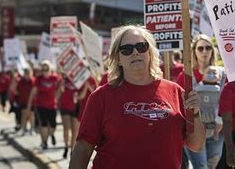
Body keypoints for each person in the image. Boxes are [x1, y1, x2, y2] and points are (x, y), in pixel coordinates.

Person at [69, 25, 205, 169]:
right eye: (126, 49)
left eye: (141, 47)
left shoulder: (175, 91)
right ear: (118, 59)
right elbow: (83, 148)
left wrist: (195, 113)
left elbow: (196, 145)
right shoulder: (101, 97)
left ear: (150, 53)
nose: (135, 52)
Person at [177, 34, 226, 169]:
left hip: (217, 129)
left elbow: (227, 99)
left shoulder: (222, 74)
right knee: (201, 167)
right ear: (194, 51)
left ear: (213, 50)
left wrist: (221, 121)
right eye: (200, 48)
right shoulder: (186, 75)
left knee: (213, 166)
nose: (205, 51)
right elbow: (180, 103)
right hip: (195, 129)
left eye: (208, 47)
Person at [27, 60, 59, 150]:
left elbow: (60, 88)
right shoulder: (39, 79)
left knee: (53, 125)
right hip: (40, 105)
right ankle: (44, 142)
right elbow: (33, 91)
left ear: (50, 69)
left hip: (52, 105)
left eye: (47, 68)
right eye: (43, 69)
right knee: (43, 124)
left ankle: (51, 135)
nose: (45, 70)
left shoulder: (55, 78)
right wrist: (29, 104)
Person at [58, 73, 79, 158]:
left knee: (74, 131)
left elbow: (80, 93)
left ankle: (72, 149)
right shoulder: (63, 79)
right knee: (66, 128)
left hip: (75, 107)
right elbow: (59, 92)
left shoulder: (78, 78)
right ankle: (66, 147)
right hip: (65, 106)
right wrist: (61, 83)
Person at [16, 68, 35, 134]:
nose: (27, 74)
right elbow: (16, 90)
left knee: (31, 115)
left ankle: (32, 129)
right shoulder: (21, 81)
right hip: (23, 100)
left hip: (32, 101)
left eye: (28, 72)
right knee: (24, 114)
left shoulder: (34, 81)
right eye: (26, 72)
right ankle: (24, 129)